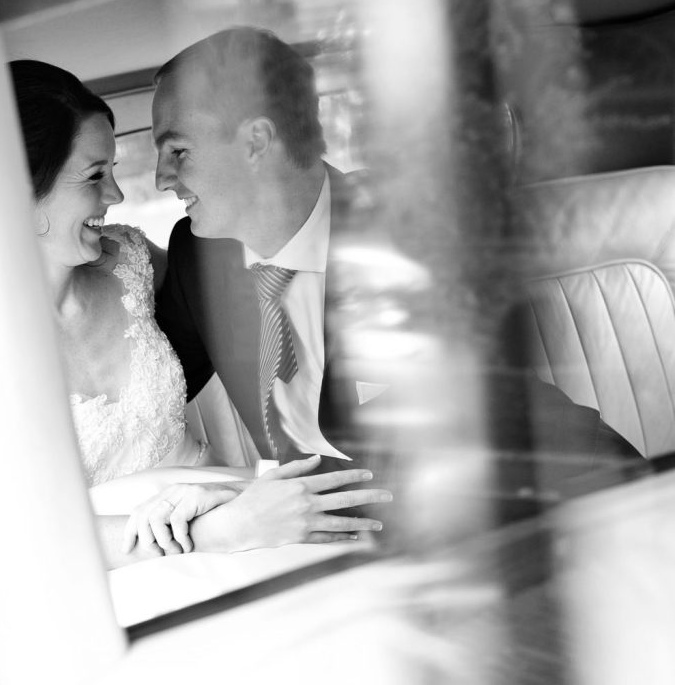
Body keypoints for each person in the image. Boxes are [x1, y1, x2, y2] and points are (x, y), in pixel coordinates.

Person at [150, 27, 641, 527]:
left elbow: (507, 408)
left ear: (256, 142)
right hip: (301, 537)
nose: (160, 178)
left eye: (178, 152)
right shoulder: (195, 255)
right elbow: (151, 386)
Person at [9, 59, 391, 568]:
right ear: (17, 188)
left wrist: (239, 503)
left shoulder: (137, 265)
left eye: (179, 150)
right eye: (96, 174)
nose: (123, 194)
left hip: (246, 514)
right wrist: (214, 529)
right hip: (111, 562)